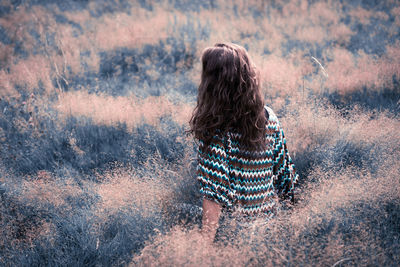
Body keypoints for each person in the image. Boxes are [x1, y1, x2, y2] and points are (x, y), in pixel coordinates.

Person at [189, 43, 299, 243]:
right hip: (269, 232)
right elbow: (285, 177)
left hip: (234, 238)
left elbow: (214, 196)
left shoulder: (215, 132)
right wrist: (291, 227)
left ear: (213, 83)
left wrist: (203, 249)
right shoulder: (269, 117)